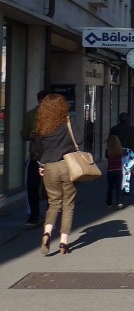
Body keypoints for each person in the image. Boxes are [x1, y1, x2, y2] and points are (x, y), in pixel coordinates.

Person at [29, 93, 76, 255]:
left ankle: (47, 232)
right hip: (68, 165)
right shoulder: (67, 124)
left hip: (49, 167)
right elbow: (79, 141)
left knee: (53, 202)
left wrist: (41, 165)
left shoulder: (41, 127)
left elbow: (38, 151)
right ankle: (63, 242)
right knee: (68, 204)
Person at [20, 89, 49, 226]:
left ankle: (51, 214)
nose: (42, 105)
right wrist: (29, 135)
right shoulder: (31, 115)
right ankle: (34, 215)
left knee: (51, 188)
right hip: (35, 156)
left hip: (51, 157)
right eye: (40, 103)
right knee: (32, 187)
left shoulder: (55, 116)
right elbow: (23, 133)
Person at [107, 112, 134, 200]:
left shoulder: (114, 129)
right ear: (128, 119)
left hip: (117, 151)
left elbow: (110, 141)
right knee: (128, 170)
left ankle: (118, 186)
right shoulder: (132, 129)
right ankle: (126, 188)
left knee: (118, 169)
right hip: (129, 151)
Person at [105, 133, 124, 207]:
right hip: (118, 170)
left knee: (110, 187)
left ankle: (109, 202)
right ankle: (119, 202)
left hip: (110, 171)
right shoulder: (120, 150)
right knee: (118, 187)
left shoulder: (108, 151)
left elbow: (106, 156)